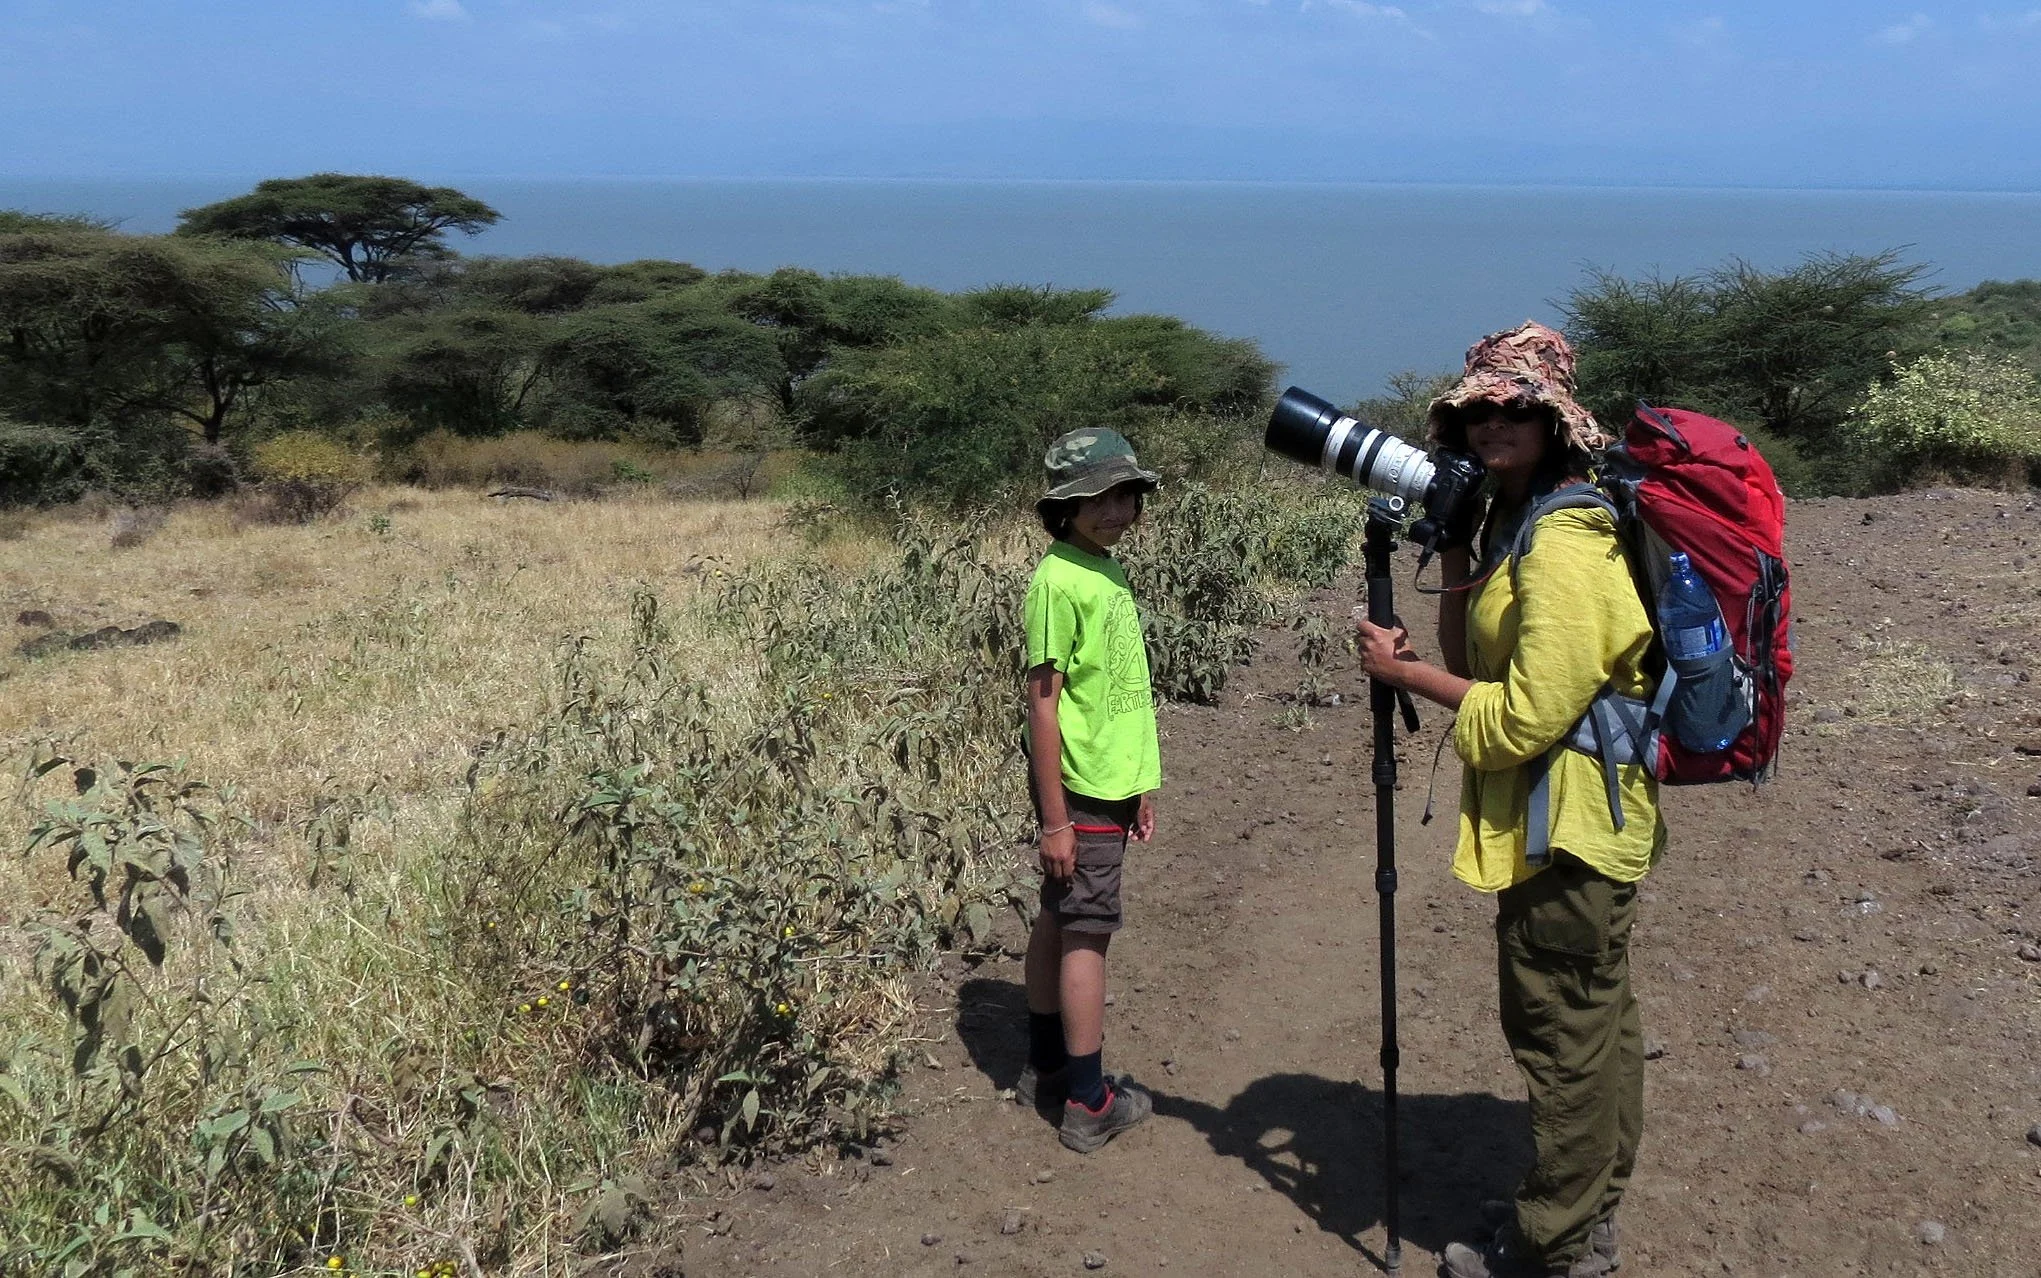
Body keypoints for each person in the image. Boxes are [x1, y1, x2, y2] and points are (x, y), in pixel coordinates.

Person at [1352, 322, 1664, 1278]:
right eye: (1477, 410)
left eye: (1515, 409)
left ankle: (1549, 1247)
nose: (1492, 422)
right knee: (1594, 1027)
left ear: (1554, 423)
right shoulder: (1519, 522)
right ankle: (1584, 1212)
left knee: (1562, 1036)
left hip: (1568, 827)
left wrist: (1403, 681)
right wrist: (1454, 550)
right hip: (1564, 816)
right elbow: (1475, 664)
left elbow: (1522, 717)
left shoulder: (1566, 538)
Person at [1016, 428, 1162, 1154]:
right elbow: (1042, 705)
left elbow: (1113, 692)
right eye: (1095, 499)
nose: (1113, 511)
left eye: (1124, 496)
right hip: (1080, 791)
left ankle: (1046, 1066)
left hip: (1108, 785)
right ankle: (1087, 1100)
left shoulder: (1101, 567)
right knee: (1086, 935)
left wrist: (1139, 786)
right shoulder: (1058, 581)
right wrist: (1056, 821)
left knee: (1059, 917)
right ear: (1063, 508)